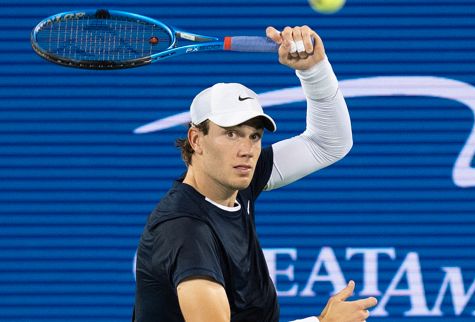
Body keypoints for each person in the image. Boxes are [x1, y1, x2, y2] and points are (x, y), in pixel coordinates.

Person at [133, 25, 378, 322]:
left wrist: (313, 71)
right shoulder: (185, 231)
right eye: (232, 134)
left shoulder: (236, 181)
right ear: (196, 140)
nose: (247, 149)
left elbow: (329, 143)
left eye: (254, 136)